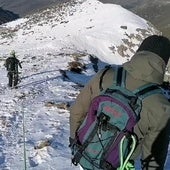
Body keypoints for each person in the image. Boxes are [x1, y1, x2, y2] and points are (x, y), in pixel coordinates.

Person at [69, 35, 170, 170]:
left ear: (139, 52)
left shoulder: (106, 74)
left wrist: (75, 141)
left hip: (84, 152)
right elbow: (153, 157)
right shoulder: (161, 106)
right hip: (116, 164)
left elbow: (77, 110)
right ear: (164, 62)